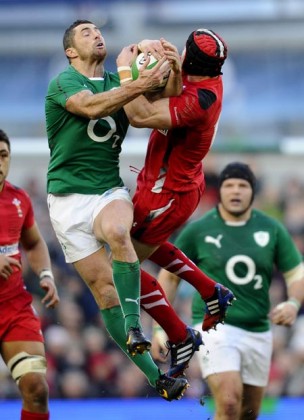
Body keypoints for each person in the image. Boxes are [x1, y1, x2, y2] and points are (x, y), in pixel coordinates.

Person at [45, 19, 189, 401]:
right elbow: (89, 108)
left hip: (108, 189)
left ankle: (134, 326)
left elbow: (163, 101)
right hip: (65, 201)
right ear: (71, 51)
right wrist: (140, 84)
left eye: (98, 30)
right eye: (86, 32)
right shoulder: (65, 83)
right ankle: (158, 379)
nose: (97, 34)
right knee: (104, 292)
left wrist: (172, 68)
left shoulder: (120, 80)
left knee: (118, 232)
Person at [116, 29, 234, 376]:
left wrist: (126, 69)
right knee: (137, 248)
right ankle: (210, 290)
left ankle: (180, 335)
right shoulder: (202, 81)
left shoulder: (200, 101)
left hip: (167, 193)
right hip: (167, 184)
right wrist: (169, 65)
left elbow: (138, 115)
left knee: (122, 266)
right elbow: (175, 86)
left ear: (191, 60)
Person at [154, 162, 304, 419]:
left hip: (258, 330)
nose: (236, 191)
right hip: (214, 328)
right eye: (229, 185)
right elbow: (169, 276)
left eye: (242, 185)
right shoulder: (199, 230)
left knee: (248, 413)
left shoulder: (271, 228)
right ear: (220, 190)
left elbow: (296, 273)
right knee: (230, 400)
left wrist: (292, 303)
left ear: (252, 191)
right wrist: (160, 327)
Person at [0, 129, 60, 420]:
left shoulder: (18, 199)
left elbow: (33, 243)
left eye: (3, 156)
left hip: (13, 308)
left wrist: (46, 273)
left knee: (37, 389)